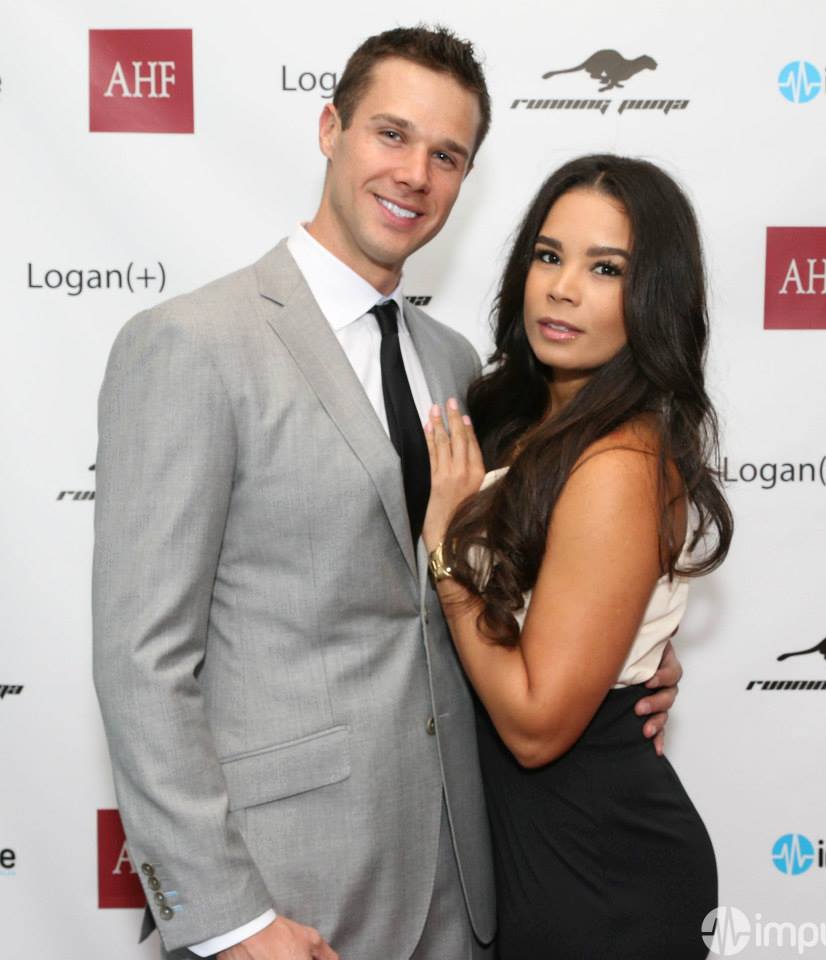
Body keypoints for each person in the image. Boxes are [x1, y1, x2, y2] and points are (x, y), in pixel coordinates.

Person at [91, 27, 682, 960]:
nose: (414, 173)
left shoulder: (453, 365)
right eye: (391, 135)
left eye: (446, 155)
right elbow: (141, 662)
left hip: (466, 878)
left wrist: (630, 656)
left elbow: (505, 577)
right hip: (286, 889)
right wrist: (226, 917)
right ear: (331, 128)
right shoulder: (192, 345)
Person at [421, 155, 732, 959]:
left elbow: (533, 726)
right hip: (530, 852)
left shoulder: (618, 464)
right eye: (549, 255)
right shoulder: (517, 417)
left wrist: (448, 554)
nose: (562, 288)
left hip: (601, 870)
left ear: (652, 298)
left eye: (606, 269)